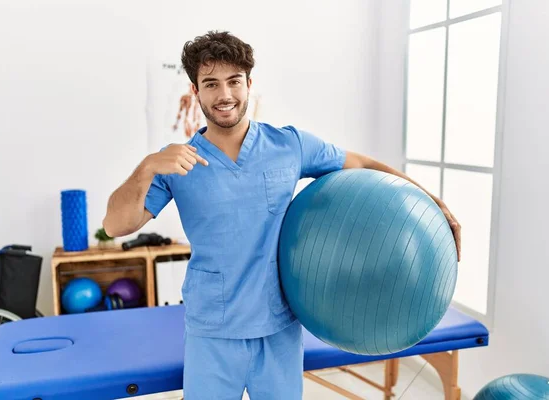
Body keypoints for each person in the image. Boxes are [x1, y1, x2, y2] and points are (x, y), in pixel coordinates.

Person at [103, 30, 461, 400]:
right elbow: (116, 225)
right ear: (196, 91)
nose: (224, 95)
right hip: (213, 330)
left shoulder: (289, 145)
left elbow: (363, 165)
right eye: (211, 84)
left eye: (233, 81)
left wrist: (432, 202)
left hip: (278, 328)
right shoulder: (177, 161)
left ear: (248, 83)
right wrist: (146, 167)